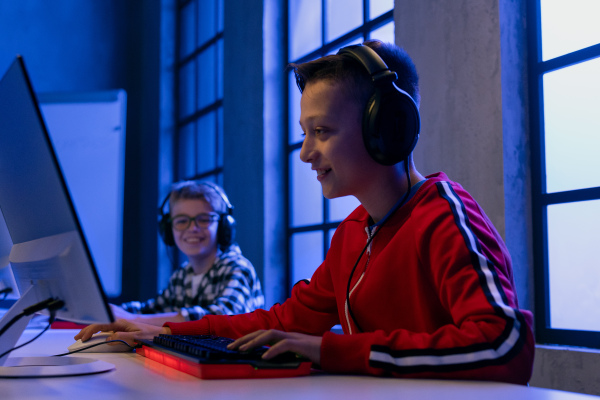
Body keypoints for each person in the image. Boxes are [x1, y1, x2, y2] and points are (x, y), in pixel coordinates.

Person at [76, 40, 534, 384]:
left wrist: (329, 350)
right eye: (305, 132)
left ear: (387, 128)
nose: (306, 153)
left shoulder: (445, 217)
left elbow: (504, 344)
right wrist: (159, 331)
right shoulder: (354, 233)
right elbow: (281, 322)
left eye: (322, 131)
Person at [109, 180, 264, 326]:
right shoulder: (183, 275)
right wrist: (112, 312)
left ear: (224, 227)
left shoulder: (237, 268)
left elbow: (223, 316)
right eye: (182, 221)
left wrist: (135, 320)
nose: (192, 229)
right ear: (168, 231)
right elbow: (152, 310)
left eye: (204, 219)